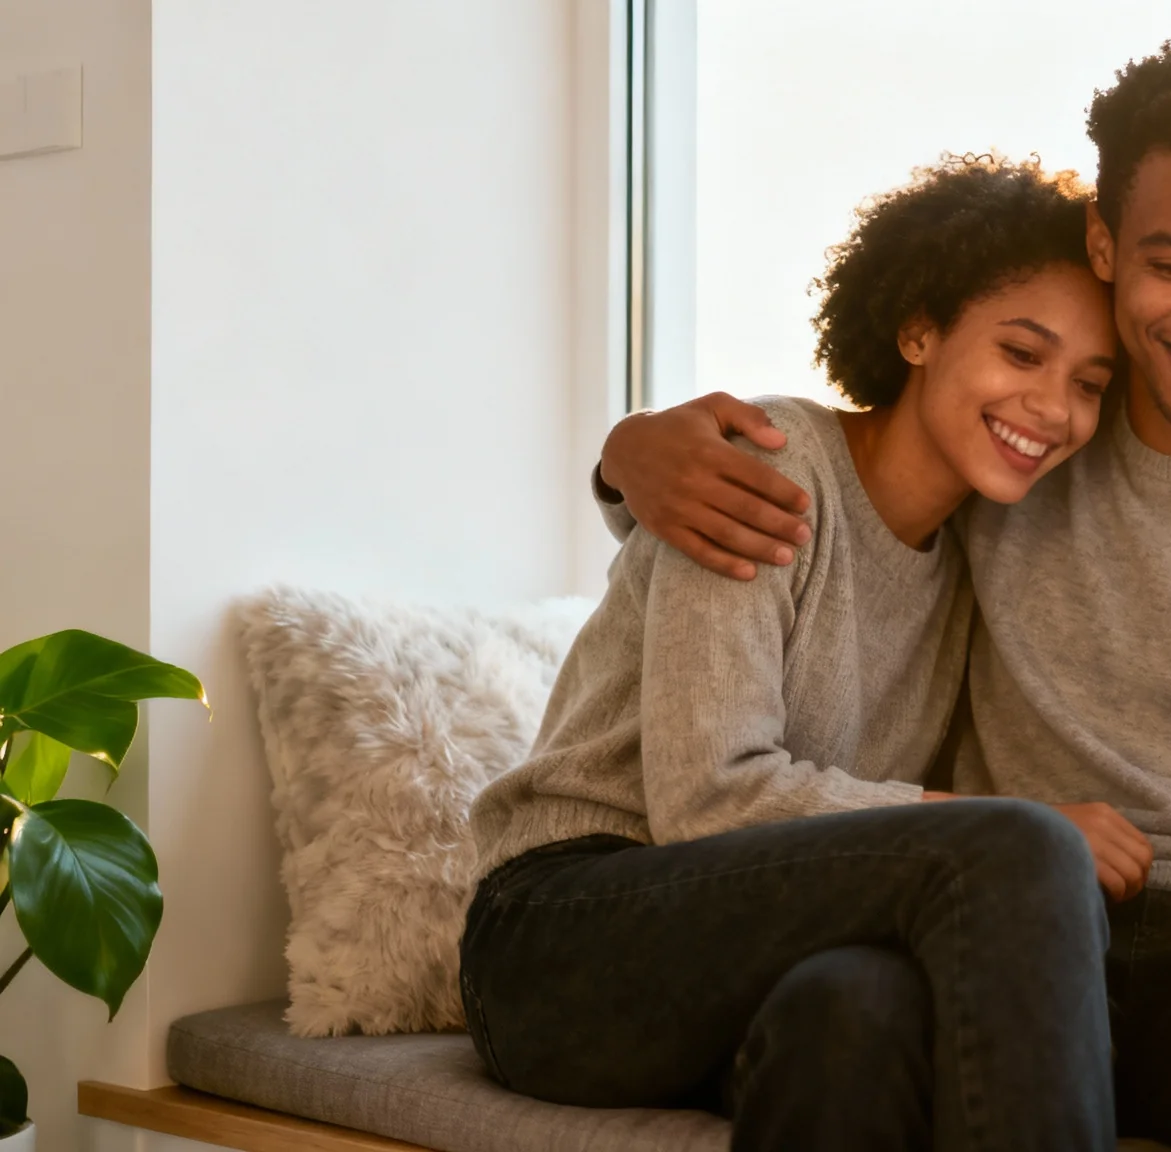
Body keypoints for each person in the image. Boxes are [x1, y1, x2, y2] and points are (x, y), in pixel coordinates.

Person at [598, 39, 1171, 1152]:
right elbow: (836, 500)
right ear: (1104, 245)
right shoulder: (1026, 433)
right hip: (995, 932)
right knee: (838, 1012)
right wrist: (630, 455)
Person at [461, 155, 1128, 1152]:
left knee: (853, 1013)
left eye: (1087, 383)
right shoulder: (762, 472)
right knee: (1020, 842)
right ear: (917, 331)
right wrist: (1008, 829)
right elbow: (707, 799)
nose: (1053, 409)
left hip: (753, 970)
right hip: (561, 939)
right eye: (1021, 354)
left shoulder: (975, 568)